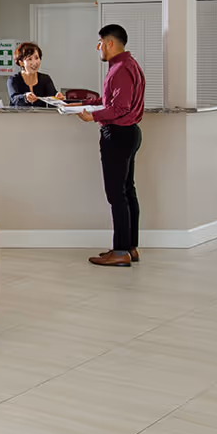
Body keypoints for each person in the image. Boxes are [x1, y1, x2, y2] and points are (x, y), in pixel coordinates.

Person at [77, 24, 146, 267]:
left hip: (118, 135)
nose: (98, 48)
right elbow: (111, 100)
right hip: (128, 134)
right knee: (127, 191)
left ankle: (120, 252)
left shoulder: (120, 69)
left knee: (117, 194)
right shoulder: (128, 65)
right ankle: (129, 248)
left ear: (109, 43)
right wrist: (80, 102)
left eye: (99, 43)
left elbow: (120, 108)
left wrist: (92, 116)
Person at [6, 42, 64, 107]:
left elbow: (52, 98)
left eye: (37, 58)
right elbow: (14, 99)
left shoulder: (45, 79)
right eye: (29, 59)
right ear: (21, 62)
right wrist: (25, 97)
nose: (35, 62)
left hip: (42, 116)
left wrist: (57, 98)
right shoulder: (13, 79)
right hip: (19, 116)